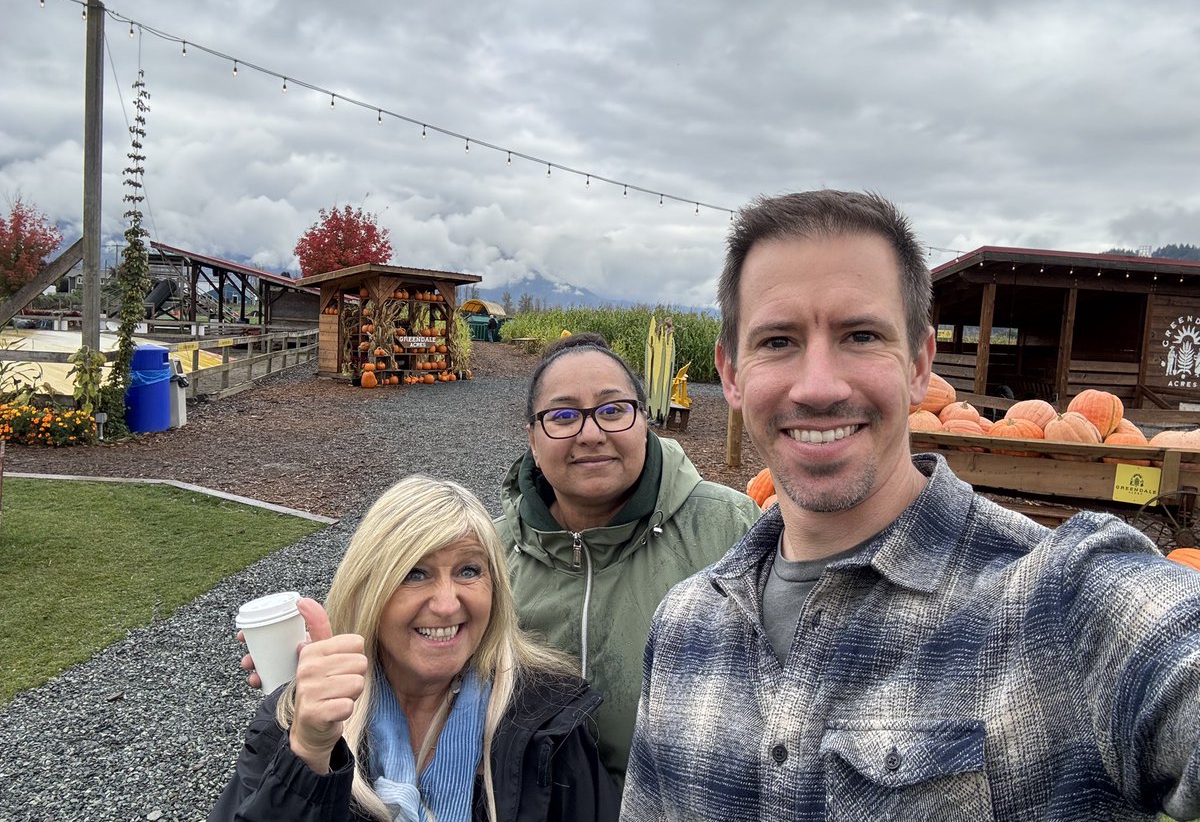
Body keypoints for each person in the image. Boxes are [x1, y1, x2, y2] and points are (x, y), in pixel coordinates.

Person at [622, 191, 1200, 821]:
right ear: (732, 374)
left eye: (861, 335)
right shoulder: (682, 627)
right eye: (778, 341)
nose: (818, 387)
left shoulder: (1059, 601)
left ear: (920, 365)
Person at [212, 475, 619, 822]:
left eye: (469, 571)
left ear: (496, 588)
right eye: (415, 573)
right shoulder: (298, 717)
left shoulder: (550, 722)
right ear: (368, 589)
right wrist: (308, 757)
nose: (446, 604)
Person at [498, 333, 760, 784]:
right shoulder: (491, 552)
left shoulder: (732, 528)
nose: (591, 435)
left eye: (612, 410)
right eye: (563, 416)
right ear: (533, 442)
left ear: (644, 422)